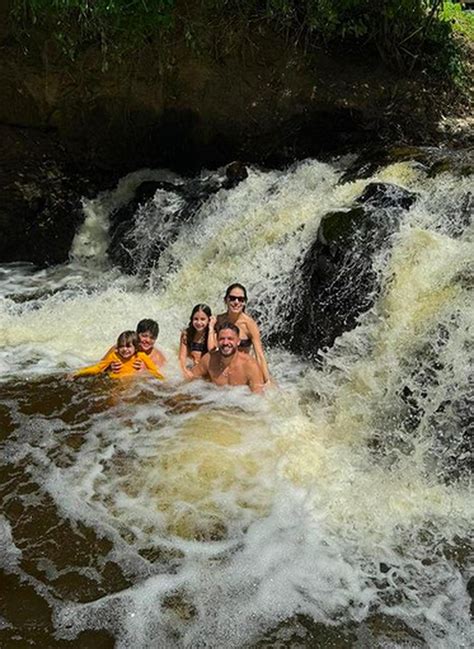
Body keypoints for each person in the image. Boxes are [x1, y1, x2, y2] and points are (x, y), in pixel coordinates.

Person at [216, 283, 270, 383]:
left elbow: (259, 354)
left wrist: (267, 380)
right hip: (222, 369)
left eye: (241, 299)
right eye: (232, 298)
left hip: (242, 369)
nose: (236, 302)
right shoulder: (218, 320)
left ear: (244, 302)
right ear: (226, 300)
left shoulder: (249, 324)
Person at [188, 323, 264, 393]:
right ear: (217, 341)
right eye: (222, 339)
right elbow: (189, 378)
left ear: (238, 341)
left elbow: (258, 397)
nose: (225, 343)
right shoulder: (209, 359)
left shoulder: (250, 365)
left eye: (230, 339)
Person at [73, 330, 164, 380]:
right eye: (121, 346)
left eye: (128, 346)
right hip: (116, 382)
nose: (124, 349)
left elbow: (154, 371)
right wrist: (78, 373)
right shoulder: (114, 355)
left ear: (135, 348)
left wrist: (163, 381)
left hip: (134, 384)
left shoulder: (141, 356)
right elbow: (98, 367)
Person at [179, 304, 217, 376]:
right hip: (191, 369)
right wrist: (185, 371)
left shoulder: (213, 334)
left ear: (208, 320)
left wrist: (211, 327)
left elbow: (212, 351)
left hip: (206, 372)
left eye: (203, 319)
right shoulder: (186, 334)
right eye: (196, 319)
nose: (199, 323)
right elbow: (182, 357)